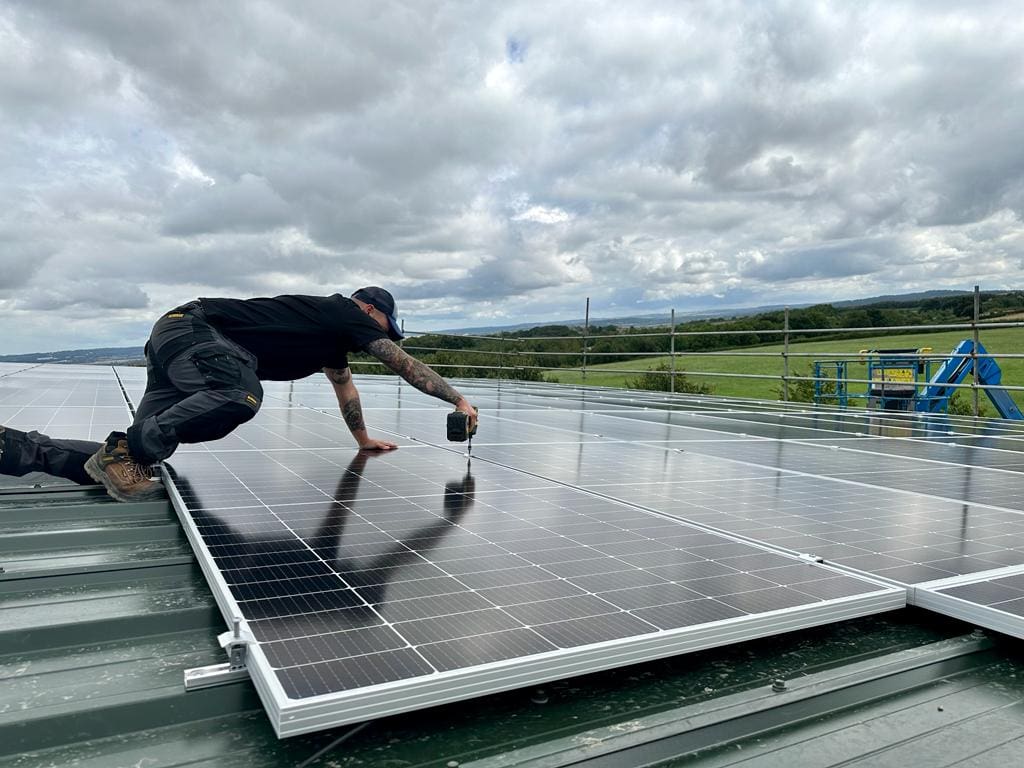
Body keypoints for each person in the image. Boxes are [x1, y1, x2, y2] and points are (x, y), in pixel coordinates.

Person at [0, 288, 478, 502]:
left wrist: (363, 439)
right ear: (371, 311)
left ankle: (22, 449)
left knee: (139, 456)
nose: (385, 337)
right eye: (385, 328)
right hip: (196, 332)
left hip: (177, 345)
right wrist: (458, 400)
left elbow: (344, 386)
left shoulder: (331, 339)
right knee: (238, 395)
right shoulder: (345, 312)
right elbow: (402, 363)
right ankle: (123, 449)